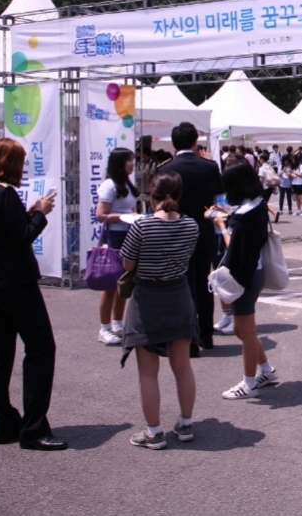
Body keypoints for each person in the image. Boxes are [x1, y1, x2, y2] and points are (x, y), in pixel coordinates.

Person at [0, 138, 66, 450]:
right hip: (17, 282)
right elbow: (22, 236)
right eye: (20, 163)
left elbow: (2, 231)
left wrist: (29, 211)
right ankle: (34, 428)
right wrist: (41, 214)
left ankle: (5, 423)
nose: (22, 169)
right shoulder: (4, 193)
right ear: (9, 163)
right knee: (40, 348)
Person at [119, 173, 200, 450]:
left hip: (147, 300)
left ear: (151, 196)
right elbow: (187, 257)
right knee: (182, 366)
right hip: (179, 295)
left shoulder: (141, 226)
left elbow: (128, 265)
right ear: (178, 196)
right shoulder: (190, 224)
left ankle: (154, 432)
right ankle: (186, 423)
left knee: (148, 371)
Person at [211, 159, 279, 399]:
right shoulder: (257, 205)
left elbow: (233, 248)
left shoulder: (242, 216)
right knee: (242, 329)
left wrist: (221, 225)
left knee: (246, 332)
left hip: (243, 277)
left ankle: (249, 383)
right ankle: (267, 370)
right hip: (254, 273)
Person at [157, 122, 224, 353]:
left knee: (183, 287)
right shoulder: (209, 166)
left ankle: (189, 339)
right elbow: (219, 196)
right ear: (195, 141)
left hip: (175, 234)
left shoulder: (166, 169)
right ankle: (206, 336)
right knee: (204, 285)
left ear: (174, 143)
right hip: (204, 231)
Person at [94, 147, 138, 346]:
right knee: (111, 283)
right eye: (129, 160)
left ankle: (118, 324)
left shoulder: (127, 183)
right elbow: (101, 215)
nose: (132, 164)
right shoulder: (109, 185)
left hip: (129, 233)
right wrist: (124, 217)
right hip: (115, 236)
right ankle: (104, 328)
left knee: (124, 282)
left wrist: (133, 217)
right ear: (120, 163)